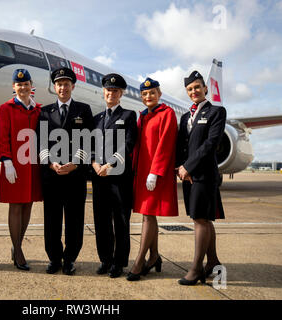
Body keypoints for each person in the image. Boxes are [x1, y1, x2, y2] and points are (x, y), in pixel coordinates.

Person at [38, 67, 94, 275]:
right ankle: (54, 258)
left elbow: (88, 141)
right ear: (55, 87)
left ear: (73, 86)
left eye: (66, 84)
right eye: (59, 84)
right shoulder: (45, 112)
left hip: (75, 176)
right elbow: (41, 143)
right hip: (52, 176)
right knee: (51, 220)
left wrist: (75, 163)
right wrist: (51, 164)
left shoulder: (83, 110)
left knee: (74, 220)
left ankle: (70, 259)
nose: (63, 87)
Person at [176, 71, 226, 285]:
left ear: (205, 88)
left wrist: (188, 166)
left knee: (200, 220)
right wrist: (179, 168)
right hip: (188, 175)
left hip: (204, 174)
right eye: (190, 89)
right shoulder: (186, 116)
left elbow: (211, 143)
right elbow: (181, 145)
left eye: (197, 87)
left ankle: (196, 268)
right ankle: (213, 262)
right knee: (203, 218)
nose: (194, 91)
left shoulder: (216, 111)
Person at [127, 78, 178, 281]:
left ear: (159, 94)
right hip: (142, 174)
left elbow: (166, 144)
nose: (148, 96)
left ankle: (139, 261)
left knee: (148, 215)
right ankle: (154, 256)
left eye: (152, 93)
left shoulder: (167, 114)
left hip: (155, 174)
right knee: (148, 215)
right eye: (145, 94)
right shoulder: (143, 116)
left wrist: (155, 172)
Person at [91, 73, 137, 278]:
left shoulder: (128, 116)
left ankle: (119, 263)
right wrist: (94, 163)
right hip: (99, 178)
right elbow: (90, 146)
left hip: (119, 178)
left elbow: (127, 145)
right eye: (108, 90)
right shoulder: (96, 118)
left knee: (120, 222)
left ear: (121, 94)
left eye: (116, 91)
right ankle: (105, 260)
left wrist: (110, 164)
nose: (111, 93)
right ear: (104, 92)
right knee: (101, 222)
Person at [0, 69, 43, 271]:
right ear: (14, 87)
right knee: (15, 207)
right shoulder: (6, 108)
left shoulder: (39, 109)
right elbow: (2, 136)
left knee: (27, 207)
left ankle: (17, 247)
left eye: (26, 85)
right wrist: (6, 161)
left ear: (31, 86)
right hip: (14, 166)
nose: (23, 88)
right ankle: (18, 249)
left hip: (33, 166)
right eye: (19, 85)